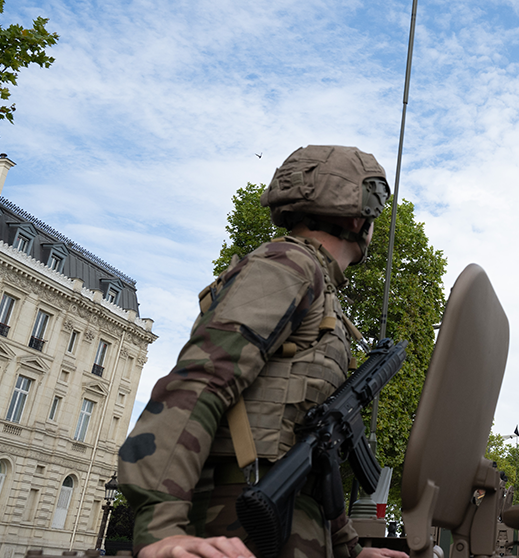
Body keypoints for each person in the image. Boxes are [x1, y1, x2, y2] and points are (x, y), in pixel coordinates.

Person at [118, 146, 408, 558]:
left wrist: (349, 548)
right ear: (361, 217)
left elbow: (314, 453)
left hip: (287, 517)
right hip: (240, 516)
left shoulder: (322, 292)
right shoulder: (288, 265)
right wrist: (161, 529)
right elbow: (200, 380)